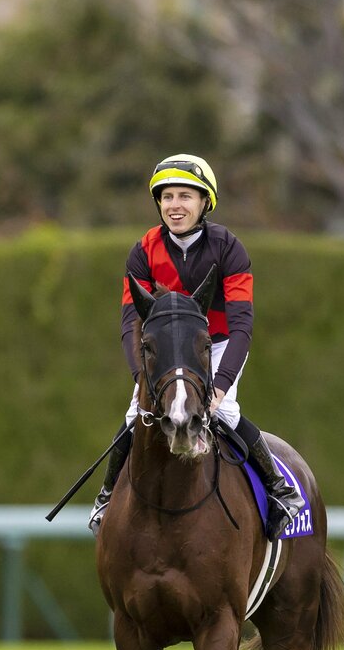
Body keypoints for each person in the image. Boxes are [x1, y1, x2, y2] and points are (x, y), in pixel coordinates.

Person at [88, 153, 304, 537]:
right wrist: (141, 379)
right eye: (167, 196)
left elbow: (242, 326)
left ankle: (279, 489)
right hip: (166, 353)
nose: (175, 205)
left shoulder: (229, 248)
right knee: (135, 414)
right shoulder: (142, 251)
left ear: (205, 202)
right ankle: (106, 497)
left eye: (185, 196)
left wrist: (219, 387)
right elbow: (129, 325)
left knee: (227, 412)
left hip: (215, 345)